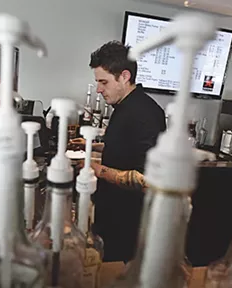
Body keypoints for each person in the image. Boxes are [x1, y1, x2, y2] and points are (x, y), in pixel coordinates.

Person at [70, 41, 166, 262]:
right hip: (111, 213)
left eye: (103, 82)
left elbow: (146, 180)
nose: (99, 89)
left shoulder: (145, 114)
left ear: (124, 76)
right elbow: (125, 146)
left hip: (127, 222)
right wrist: (91, 146)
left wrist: (96, 169)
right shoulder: (125, 107)